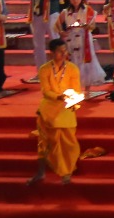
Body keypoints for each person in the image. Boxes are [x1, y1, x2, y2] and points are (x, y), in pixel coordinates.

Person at [30, 37, 82, 185]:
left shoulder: (72, 68)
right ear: (51, 53)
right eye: (59, 51)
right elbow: (45, 91)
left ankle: (67, 172)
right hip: (49, 110)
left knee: (69, 144)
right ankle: (41, 173)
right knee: (45, 144)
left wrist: (73, 101)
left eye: (65, 51)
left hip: (66, 109)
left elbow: (77, 90)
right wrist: (58, 96)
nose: (63, 54)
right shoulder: (45, 69)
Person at [53, 0, 107, 87]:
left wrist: (88, 26)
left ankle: (87, 88)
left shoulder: (88, 10)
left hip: (84, 38)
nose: (75, 0)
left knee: (86, 63)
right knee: (73, 62)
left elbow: (93, 26)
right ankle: (75, 86)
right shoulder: (65, 12)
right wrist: (61, 32)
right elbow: (56, 26)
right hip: (71, 39)